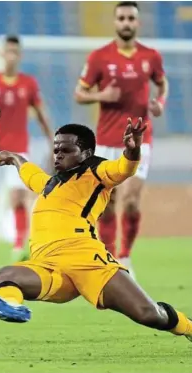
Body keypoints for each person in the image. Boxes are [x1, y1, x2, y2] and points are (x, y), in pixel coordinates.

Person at [0, 118, 192, 344]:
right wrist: (14, 158)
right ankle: (10, 306)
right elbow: (30, 174)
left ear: (86, 152)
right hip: (48, 266)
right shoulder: (49, 184)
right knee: (4, 276)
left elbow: (123, 168)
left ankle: (188, 326)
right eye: (56, 150)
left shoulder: (96, 172)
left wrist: (133, 149)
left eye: (66, 150)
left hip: (88, 262)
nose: (58, 155)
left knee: (148, 314)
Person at [74, 1, 168, 278]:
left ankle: (125, 257)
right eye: (122, 18)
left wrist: (160, 102)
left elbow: (162, 83)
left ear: (137, 22)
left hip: (140, 139)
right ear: (115, 22)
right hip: (105, 140)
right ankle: (109, 257)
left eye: (131, 18)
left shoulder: (151, 56)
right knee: (109, 202)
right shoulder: (99, 57)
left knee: (131, 200)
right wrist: (102, 96)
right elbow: (80, 93)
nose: (126, 22)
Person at [0, 35, 53, 262]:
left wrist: (53, 140)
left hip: (19, 151)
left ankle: (19, 246)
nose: (10, 55)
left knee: (18, 197)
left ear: (19, 55)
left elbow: (41, 114)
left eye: (15, 51)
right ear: (1, 54)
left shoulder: (28, 83)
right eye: (7, 51)